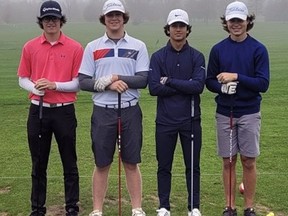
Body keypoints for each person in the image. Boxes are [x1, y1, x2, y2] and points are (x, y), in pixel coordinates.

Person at [78, 0, 149, 215]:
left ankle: (137, 208)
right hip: (103, 111)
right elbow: (83, 81)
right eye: (110, 15)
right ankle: (97, 210)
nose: (114, 18)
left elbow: (143, 79)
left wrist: (117, 77)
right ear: (104, 19)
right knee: (102, 163)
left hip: (130, 109)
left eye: (118, 14)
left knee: (131, 161)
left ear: (124, 17)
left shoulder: (138, 45)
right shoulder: (93, 47)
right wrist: (108, 84)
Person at [17, 0, 83, 215]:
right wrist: (36, 88)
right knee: (38, 162)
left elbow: (78, 82)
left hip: (64, 111)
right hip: (39, 110)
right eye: (47, 19)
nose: (51, 22)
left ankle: (72, 207)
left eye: (54, 18)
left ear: (61, 21)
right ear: (41, 21)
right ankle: (37, 208)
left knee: (69, 162)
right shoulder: (30, 46)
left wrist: (55, 85)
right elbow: (22, 78)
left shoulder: (75, 47)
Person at [206, 1, 270, 216]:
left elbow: (263, 84)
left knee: (248, 160)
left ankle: (249, 207)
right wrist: (223, 88)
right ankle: (229, 206)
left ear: (247, 22)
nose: (236, 24)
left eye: (239, 20)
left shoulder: (258, 49)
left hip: (250, 112)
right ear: (226, 22)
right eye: (232, 20)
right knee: (228, 160)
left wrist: (236, 77)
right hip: (225, 112)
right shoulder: (218, 49)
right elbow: (209, 81)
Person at [148, 9, 206, 216]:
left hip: (190, 120)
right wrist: (185, 84)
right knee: (164, 165)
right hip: (165, 122)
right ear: (168, 29)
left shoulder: (197, 56)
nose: (178, 29)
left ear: (187, 29)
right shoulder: (157, 57)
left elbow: (198, 87)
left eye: (182, 26)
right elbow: (154, 88)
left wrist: (170, 80)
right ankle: (164, 206)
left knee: (193, 166)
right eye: (175, 26)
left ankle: (194, 207)